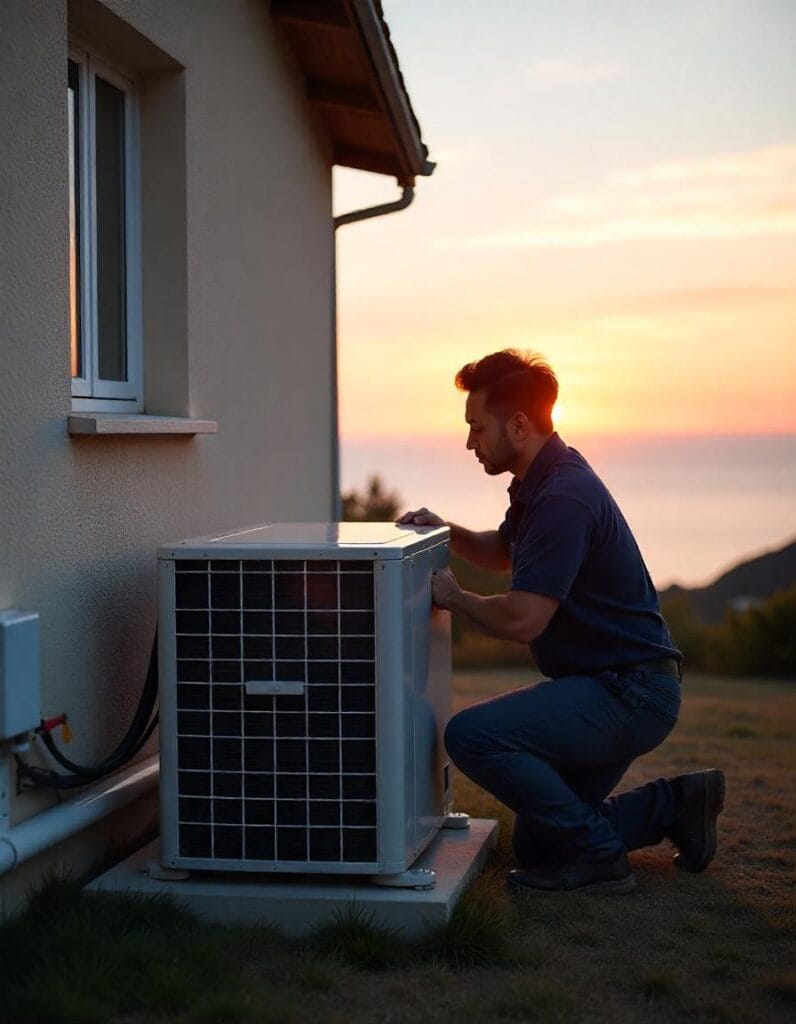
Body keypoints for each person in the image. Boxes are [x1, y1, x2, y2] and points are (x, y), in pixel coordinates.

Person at [397, 349, 724, 895]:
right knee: (541, 844)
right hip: (615, 688)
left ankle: (600, 860)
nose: (470, 442)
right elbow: (504, 550)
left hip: (630, 694)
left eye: (477, 427)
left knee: (471, 735)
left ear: (519, 424)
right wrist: (443, 531)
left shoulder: (563, 496)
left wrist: (453, 599)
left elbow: (524, 619)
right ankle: (679, 804)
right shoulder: (540, 481)